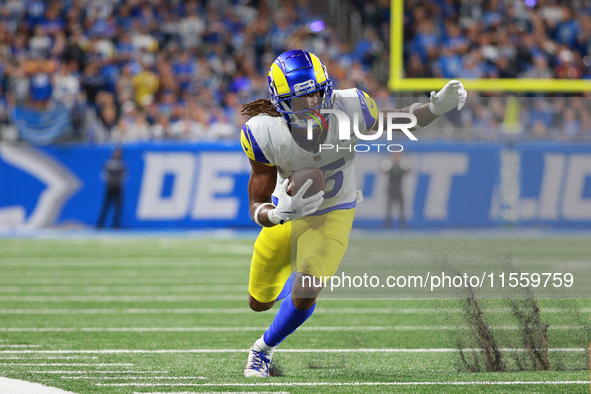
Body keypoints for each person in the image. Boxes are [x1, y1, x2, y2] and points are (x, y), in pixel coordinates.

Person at [239, 49, 467, 377]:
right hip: (288, 214)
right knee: (258, 303)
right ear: (279, 103)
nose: (311, 105)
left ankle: (263, 349)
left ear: (327, 89)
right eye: (298, 100)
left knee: (305, 292)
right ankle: (290, 278)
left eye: (316, 94)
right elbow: (256, 202)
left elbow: (399, 121)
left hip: (334, 210)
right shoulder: (263, 132)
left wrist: (436, 107)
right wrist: (275, 214)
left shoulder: (352, 108)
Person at [96, 148, 126, 229]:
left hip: (117, 187)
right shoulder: (110, 163)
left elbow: (124, 176)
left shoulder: (121, 164)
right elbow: (103, 175)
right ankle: (100, 224)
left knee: (117, 207)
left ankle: (115, 225)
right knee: (106, 206)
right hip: (111, 186)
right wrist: (110, 182)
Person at [382, 152, 411, 228]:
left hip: (399, 190)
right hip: (391, 190)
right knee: (389, 209)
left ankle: (402, 225)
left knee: (401, 209)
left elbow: (409, 170)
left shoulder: (401, 167)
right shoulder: (390, 166)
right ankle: (387, 225)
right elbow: (383, 170)